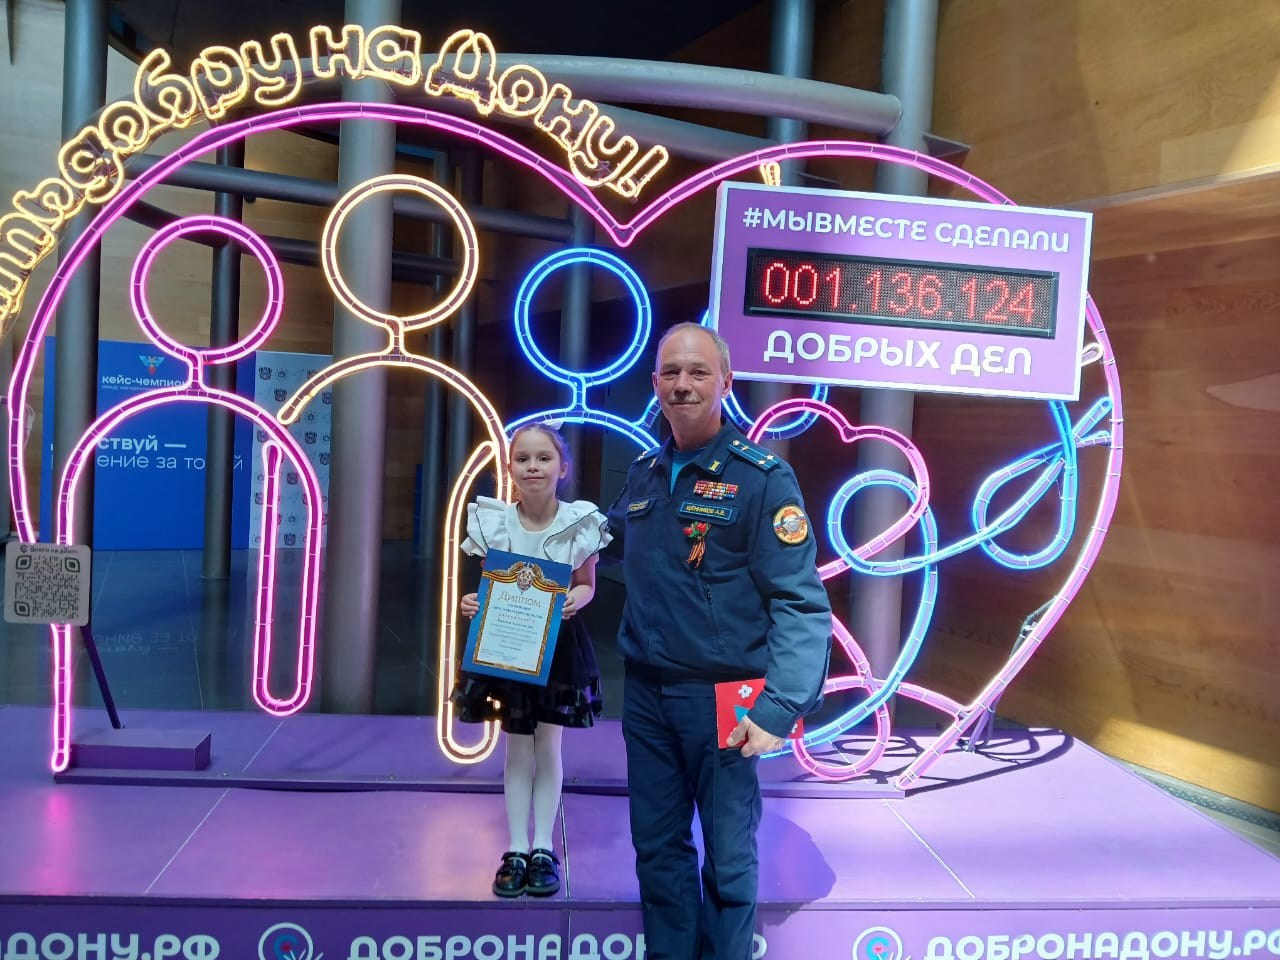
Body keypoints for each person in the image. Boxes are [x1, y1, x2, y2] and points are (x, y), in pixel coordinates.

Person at [604, 322, 832, 959]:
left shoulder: (762, 480)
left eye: (698, 372)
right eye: (672, 373)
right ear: (655, 383)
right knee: (657, 848)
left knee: (729, 857)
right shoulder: (646, 472)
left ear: (726, 382)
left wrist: (779, 706)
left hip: (724, 698)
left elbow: (799, 601)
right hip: (647, 696)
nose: (683, 384)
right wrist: (521, 563)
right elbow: (596, 542)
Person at [453, 423, 610, 898]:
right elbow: (489, 587)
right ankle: (516, 848)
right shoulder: (493, 522)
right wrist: (472, 602)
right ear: (510, 468)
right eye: (523, 459)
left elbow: (587, 584)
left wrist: (576, 599)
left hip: (558, 648)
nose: (533, 467)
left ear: (563, 468)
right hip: (507, 648)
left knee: (549, 746)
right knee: (516, 747)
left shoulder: (579, 523)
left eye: (544, 458)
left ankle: (543, 845)